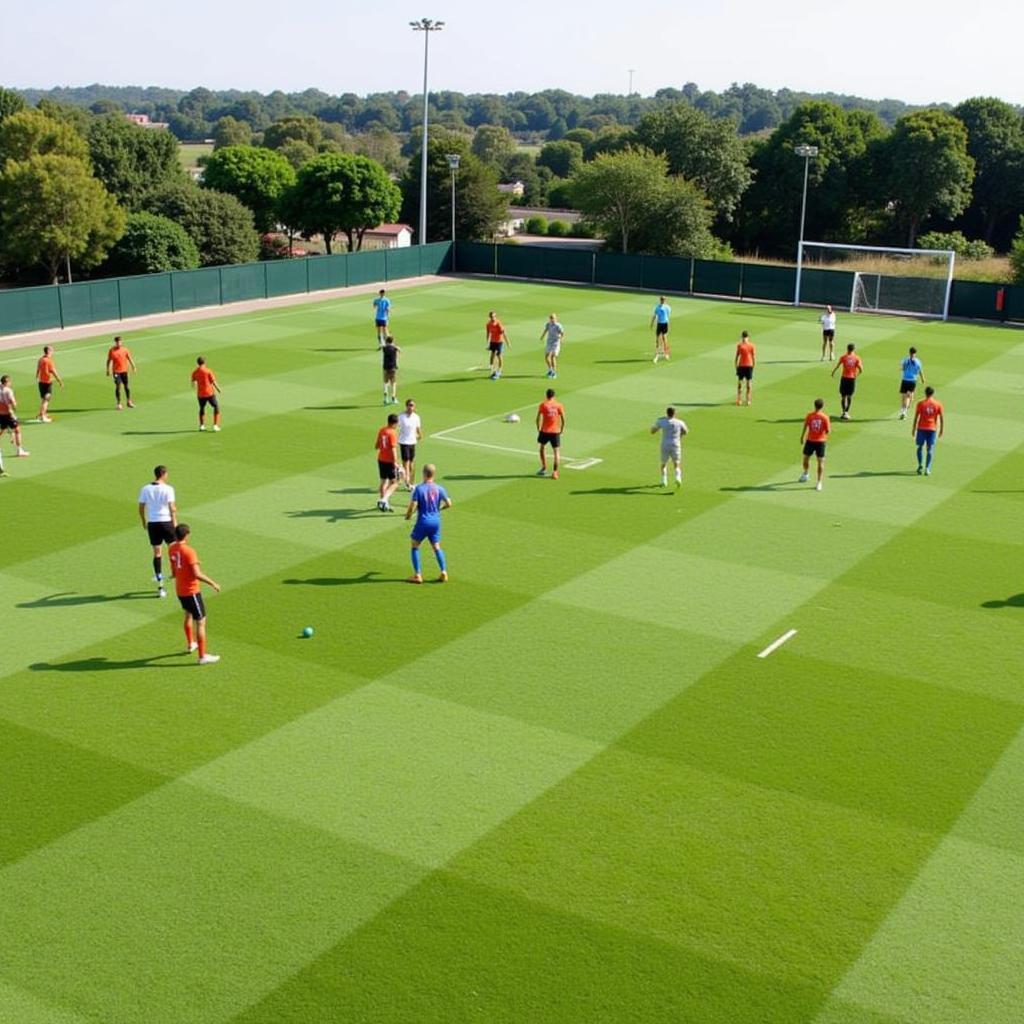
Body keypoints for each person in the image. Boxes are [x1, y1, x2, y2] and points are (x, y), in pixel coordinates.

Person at [168, 523, 221, 665]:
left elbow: (174, 569)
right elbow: (197, 574)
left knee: (187, 614)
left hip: (180, 590)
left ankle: (191, 643)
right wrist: (213, 583)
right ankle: (202, 656)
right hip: (191, 591)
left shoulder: (172, 548)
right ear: (187, 535)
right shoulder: (189, 551)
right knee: (201, 621)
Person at [404, 463, 452, 584]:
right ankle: (444, 571)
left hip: (423, 521)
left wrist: (408, 515)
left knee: (415, 545)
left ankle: (418, 575)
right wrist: (439, 509)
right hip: (436, 521)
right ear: (433, 474)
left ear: (424, 474)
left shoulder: (419, 489)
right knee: (436, 546)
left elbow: (413, 505)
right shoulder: (439, 488)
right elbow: (449, 503)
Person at [138, 464, 178, 597]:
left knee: (157, 553)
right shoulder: (168, 489)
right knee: (173, 548)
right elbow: (172, 508)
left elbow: (141, 507)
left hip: (153, 523)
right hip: (166, 522)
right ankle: (175, 572)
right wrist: (175, 523)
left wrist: (144, 521)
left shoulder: (145, 489)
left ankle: (160, 585)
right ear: (164, 474)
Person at [650, 406, 688, 488]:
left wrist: (657, 424)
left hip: (665, 444)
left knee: (664, 464)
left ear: (667, 413)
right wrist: (679, 437)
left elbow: (652, 431)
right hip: (676, 444)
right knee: (677, 463)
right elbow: (685, 431)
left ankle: (664, 480)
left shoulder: (662, 421)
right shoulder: (680, 422)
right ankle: (678, 478)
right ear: (675, 413)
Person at [912, 385, 945, 476]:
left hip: (921, 428)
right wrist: (941, 429)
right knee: (930, 449)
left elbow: (916, 417)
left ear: (925, 393)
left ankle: (920, 465)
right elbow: (941, 418)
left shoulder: (920, 403)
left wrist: (913, 428)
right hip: (932, 429)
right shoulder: (938, 404)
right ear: (933, 393)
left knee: (919, 447)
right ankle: (927, 468)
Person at [799, 397, 830, 491]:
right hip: (820, 442)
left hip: (810, 441)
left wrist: (802, 436)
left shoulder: (809, 415)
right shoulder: (825, 417)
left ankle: (805, 473)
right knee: (820, 462)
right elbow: (828, 430)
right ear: (822, 406)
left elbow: (805, 426)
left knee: (805, 458)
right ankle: (819, 482)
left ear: (814, 405)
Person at [536, 387, 565, 479]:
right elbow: (563, 419)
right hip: (555, 431)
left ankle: (544, 468)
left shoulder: (543, 405)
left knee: (542, 449)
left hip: (544, 431)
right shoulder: (559, 405)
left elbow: (537, 419)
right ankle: (555, 472)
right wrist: (562, 429)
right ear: (554, 396)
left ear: (546, 395)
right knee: (556, 451)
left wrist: (538, 429)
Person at [375, 412, 400, 512]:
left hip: (381, 459)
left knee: (383, 481)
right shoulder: (392, 433)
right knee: (395, 483)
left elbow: (376, 445)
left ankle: (383, 503)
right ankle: (384, 499)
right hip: (389, 461)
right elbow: (393, 449)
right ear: (394, 423)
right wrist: (395, 462)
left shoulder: (382, 430)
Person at [0, 375, 30, 459]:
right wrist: (14, 407)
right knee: (17, 430)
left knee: (3, 430)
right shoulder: (8, 391)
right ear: (6, 382)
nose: (10, 383)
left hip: (1, 414)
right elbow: (13, 402)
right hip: (8, 414)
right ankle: (19, 450)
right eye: (9, 381)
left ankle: (19, 450)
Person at [831, 343, 863, 420]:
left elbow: (838, 366)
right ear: (853, 349)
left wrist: (833, 372)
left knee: (843, 396)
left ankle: (843, 412)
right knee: (849, 396)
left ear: (847, 349)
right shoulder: (857, 358)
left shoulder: (843, 357)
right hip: (852, 379)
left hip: (844, 378)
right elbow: (861, 369)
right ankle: (847, 412)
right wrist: (856, 375)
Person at [105, 336, 137, 410]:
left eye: (120, 342)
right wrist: (107, 370)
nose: (119, 343)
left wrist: (134, 367)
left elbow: (129, 358)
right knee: (118, 387)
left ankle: (129, 402)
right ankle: (119, 403)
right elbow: (108, 360)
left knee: (127, 386)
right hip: (116, 371)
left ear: (121, 342)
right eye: (117, 342)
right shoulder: (112, 350)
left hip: (124, 371)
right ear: (115, 342)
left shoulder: (125, 349)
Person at [190, 357, 222, 431]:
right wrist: (218, 389)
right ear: (204, 362)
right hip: (209, 393)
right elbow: (213, 381)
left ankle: (202, 426)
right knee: (216, 406)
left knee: (202, 408)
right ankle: (215, 425)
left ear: (197, 363)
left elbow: (193, 383)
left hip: (200, 394)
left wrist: (195, 387)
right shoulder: (208, 371)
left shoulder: (195, 372)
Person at [397, 398, 423, 489]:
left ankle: (410, 482)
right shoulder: (401, 417)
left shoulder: (416, 417)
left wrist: (420, 435)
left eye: (412, 405)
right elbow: (397, 428)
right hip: (404, 442)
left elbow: (418, 429)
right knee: (406, 463)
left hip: (412, 442)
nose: (411, 407)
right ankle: (407, 483)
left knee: (411, 463)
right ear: (406, 406)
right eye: (409, 405)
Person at [35, 345, 64, 422]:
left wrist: (37, 377)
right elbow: (54, 372)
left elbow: (38, 369)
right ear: (48, 351)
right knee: (46, 400)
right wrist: (60, 381)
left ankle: (41, 413)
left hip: (41, 382)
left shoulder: (41, 359)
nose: (53, 352)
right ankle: (43, 417)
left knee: (43, 399)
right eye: (52, 350)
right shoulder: (49, 361)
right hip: (47, 383)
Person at [898, 346, 925, 419]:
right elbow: (919, 371)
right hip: (912, 381)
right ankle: (904, 410)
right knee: (908, 396)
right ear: (915, 353)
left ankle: (903, 410)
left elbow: (903, 368)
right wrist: (922, 378)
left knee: (904, 396)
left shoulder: (905, 360)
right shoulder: (918, 361)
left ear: (909, 352)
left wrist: (902, 369)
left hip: (905, 380)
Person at [485, 311, 510, 379]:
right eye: (491, 317)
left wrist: (508, 342)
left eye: (493, 316)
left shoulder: (498, 324)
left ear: (495, 316)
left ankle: (500, 370)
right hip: (493, 341)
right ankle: (492, 369)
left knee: (499, 355)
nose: (492, 318)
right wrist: (487, 343)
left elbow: (503, 333)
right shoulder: (488, 324)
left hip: (499, 341)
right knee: (492, 354)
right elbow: (488, 333)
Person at [734, 330, 756, 406]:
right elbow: (737, 356)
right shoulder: (739, 346)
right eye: (743, 337)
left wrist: (754, 365)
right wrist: (736, 365)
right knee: (740, 384)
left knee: (749, 384)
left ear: (748, 338)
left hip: (749, 366)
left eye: (746, 337)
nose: (744, 338)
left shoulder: (751, 346)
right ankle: (739, 399)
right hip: (741, 366)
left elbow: (753, 356)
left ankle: (748, 399)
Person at [540, 313, 564, 378]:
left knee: (553, 356)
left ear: (556, 319)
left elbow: (562, 333)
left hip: (556, 342)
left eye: (553, 318)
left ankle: (554, 372)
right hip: (549, 342)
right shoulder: (548, 324)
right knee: (546, 357)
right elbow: (546, 330)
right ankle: (550, 369)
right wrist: (542, 336)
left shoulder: (558, 326)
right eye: (551, 318)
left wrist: (561, 340)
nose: (552, 319)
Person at [650, 296, 672, 363]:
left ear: (665, 300)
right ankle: (656, 356)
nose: (662, 300)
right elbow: (655, 315)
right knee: (657, 340)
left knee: (665, 339)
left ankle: (666, 354)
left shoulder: (667, 307)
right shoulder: (658, 307)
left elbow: (668, 316)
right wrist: (652, 323)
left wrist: (668, 323)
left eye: (664, 300)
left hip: (664, 324)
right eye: (662, 299)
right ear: (660, 300)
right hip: (659, 324)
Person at [381, 335, 400, 405]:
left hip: (385, 367)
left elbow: (383, 346)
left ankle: (385, 397)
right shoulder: (394, 348)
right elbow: (400, 350)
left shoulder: (385, 348)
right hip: (393, 367)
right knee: (393, 383)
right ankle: (393, 397)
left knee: (385, 382)